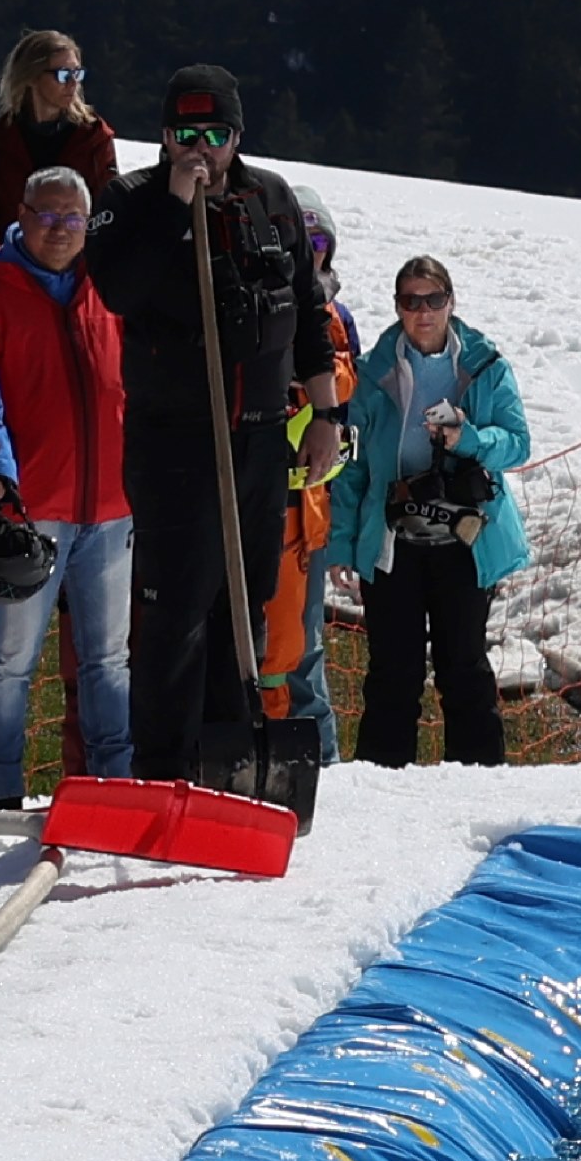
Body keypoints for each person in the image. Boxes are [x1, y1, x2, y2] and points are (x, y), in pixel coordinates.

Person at [99, 71, 339, 793]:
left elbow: (305, 309)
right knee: (175, 604)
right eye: (184, 135)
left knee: (246, 596)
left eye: (214, 136)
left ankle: (229, 756)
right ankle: (164, 769)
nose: (198, 150)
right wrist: (176, 204)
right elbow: (120, 289)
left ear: (239, 135)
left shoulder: (272, 198)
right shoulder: (130, 200)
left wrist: (325, 414)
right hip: (176, 437)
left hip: (260, 437)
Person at [0, 180, 129, 806]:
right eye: (48, 215)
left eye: (75, 217)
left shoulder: (108, 286)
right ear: (21, 216)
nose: (61, 228)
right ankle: (0, 789)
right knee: (12, 660)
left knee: (109, 661)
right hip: (34, 512)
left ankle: (114, 785)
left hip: (111, 507)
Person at [339, 254, 530, 770]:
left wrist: (468, 437)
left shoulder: (486, 365)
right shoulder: (374, 371)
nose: (423, 312)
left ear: (451, 302)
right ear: (397, 307)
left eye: (434, 300)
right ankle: (380, 784)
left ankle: (479, 784)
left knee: (463, 668)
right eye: (411, 301)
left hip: (465, 541)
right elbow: (353, 463)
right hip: (393, 541)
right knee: (391, 674)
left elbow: (518, 444)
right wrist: (340, 543)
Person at [0, 32, 119, 276]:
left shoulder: (94, 140)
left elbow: (107, 217)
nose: (72, 83)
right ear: (31, 77)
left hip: (77, 279)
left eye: (77, 74)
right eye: (62, 75)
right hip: (12, 276)